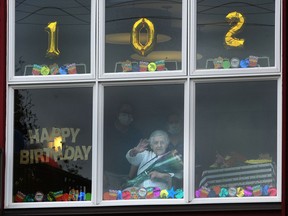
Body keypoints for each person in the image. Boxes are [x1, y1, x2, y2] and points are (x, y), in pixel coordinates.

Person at [103, 103, 142, 190]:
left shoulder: (136, 134)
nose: (127, 116)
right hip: (109, 175)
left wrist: (130, 178)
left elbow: (139, 157)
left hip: (129, 177)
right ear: (118, 114)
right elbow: (97, 153)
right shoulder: (106, 131)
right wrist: (101, 174)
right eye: (124, 113)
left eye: (129, 114)